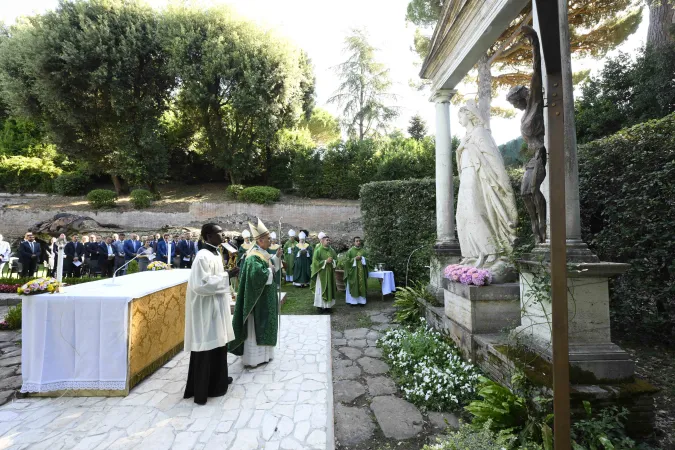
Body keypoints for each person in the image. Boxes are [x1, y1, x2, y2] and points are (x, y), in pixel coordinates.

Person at [183, 223, 237, 405]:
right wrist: (228, 275)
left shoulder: (215, 253)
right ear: (208, 236)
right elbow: (201, 284)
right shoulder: (202, 256)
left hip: (216, 304)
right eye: (219, 232)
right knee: (208, 344)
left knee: (219, 342)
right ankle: (206, 387)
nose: (223, 234)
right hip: (206, 307)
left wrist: (227, 275)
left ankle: (219, 379)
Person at [231, 219, 282, 367]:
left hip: (265, 297)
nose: (270, 241)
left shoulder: (262, 252)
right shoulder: (253, 255)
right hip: (257, 300)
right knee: (257, 326)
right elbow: (256, 275)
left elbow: (269, 265)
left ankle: (266, 355)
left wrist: (277, 257)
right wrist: (270, 270)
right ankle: (254, 358)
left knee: (266, 324)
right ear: (260, 240)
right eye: (268, 239)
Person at [310, 233, 338, 313]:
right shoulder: (318, 251)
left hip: (330, 273)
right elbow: (315, 262)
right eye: (327, 240)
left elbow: (336, 259)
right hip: (321, 274)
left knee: (330, 288)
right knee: (320, 289)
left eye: (329, 240)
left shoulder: (332, 250)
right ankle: (320, 306)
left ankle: (328, 307)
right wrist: (325, 261)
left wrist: (333, 261)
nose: (328, 241)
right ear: (322, 241)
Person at [345, 236, 369, 306]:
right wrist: (354, 259)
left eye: (359, 241)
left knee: (361, 285)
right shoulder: (350, 251)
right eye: (357, 241)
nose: (358, 242)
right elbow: (347, 261)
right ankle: (353, 302)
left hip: (362, 272)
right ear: (354, 242)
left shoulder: (363, 251)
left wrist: (362, 258)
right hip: (353, 273)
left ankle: (362, 302)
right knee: (354, 285)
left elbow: (368, 260)